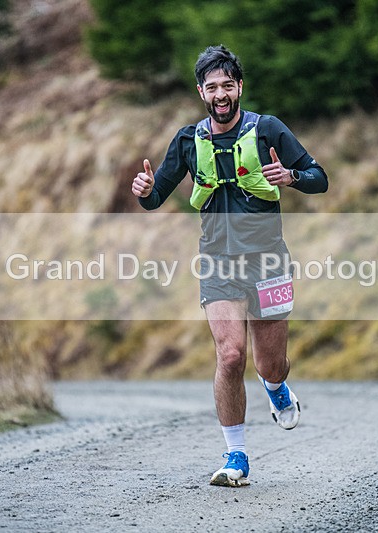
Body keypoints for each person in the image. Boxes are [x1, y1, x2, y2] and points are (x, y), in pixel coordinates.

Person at [131, 45, 328, 487]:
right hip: (218, 261)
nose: (220, 94)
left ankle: (276, 389)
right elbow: (155, 196)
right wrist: (144, 189)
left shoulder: (269, 130)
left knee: (270, 364)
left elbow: (320, 178)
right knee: (230, 353)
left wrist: (292, 177)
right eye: (212, 87)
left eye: (227, 85)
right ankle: (235, 456)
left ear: (239, 87)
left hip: (269, 261)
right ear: (201, 91)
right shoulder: (187, 140)